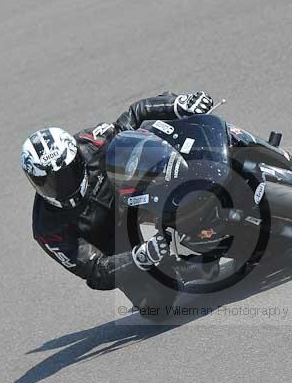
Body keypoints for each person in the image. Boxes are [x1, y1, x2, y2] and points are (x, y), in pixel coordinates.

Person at [20, 92, 214, 311]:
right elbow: (94, 271)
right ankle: (182, 265)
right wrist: (138, 257)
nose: (62, 186)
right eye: (49, 181)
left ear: (77, 158)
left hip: (133, 197)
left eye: (67, 174)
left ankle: (222, 177)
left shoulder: (91, 143)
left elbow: (134, 115)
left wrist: (178, 105)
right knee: (156, 307)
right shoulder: (48, 229)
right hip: (112, 240)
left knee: (150, 145)